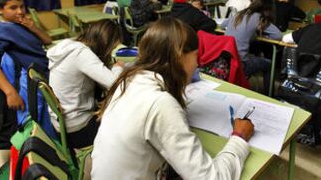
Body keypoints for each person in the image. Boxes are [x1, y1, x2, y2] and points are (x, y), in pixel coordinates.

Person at [91, 17, 254, 179]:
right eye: (195, 55)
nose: (197, 64)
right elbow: (212, 177)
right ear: (179, 56)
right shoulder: (160, 103)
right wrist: (239, 138)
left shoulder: (129, 80)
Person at [47, 20, 124, 149]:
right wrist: (118, 68)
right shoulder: (81, 54)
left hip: (61, 125)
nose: (110, 52)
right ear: (105, 42)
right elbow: (113, 84)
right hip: (78, 130)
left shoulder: (70, 46)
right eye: (112, 48)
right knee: (127, 120)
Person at [0, 0, 52, 167]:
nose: (20, 11)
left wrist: (33, 27)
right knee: (31, 126)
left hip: (42, 76)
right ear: (0, 10)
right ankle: (30, 163)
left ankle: (44, 156)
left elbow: (47, 41)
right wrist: (10, 92)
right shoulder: (2, 29)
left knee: (43, 122)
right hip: (28, 82)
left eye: (22, 6)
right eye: (13, 8)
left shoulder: (21, 24)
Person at [222, 0, 282, 94]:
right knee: (269, 64)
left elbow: (223, 25)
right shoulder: (260, 19)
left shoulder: (239, 14)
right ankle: (268, 95)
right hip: (241, 64)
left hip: (226, 60)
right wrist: (263, 35)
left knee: (252, 54)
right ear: (267, 10)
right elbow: (278, 35)